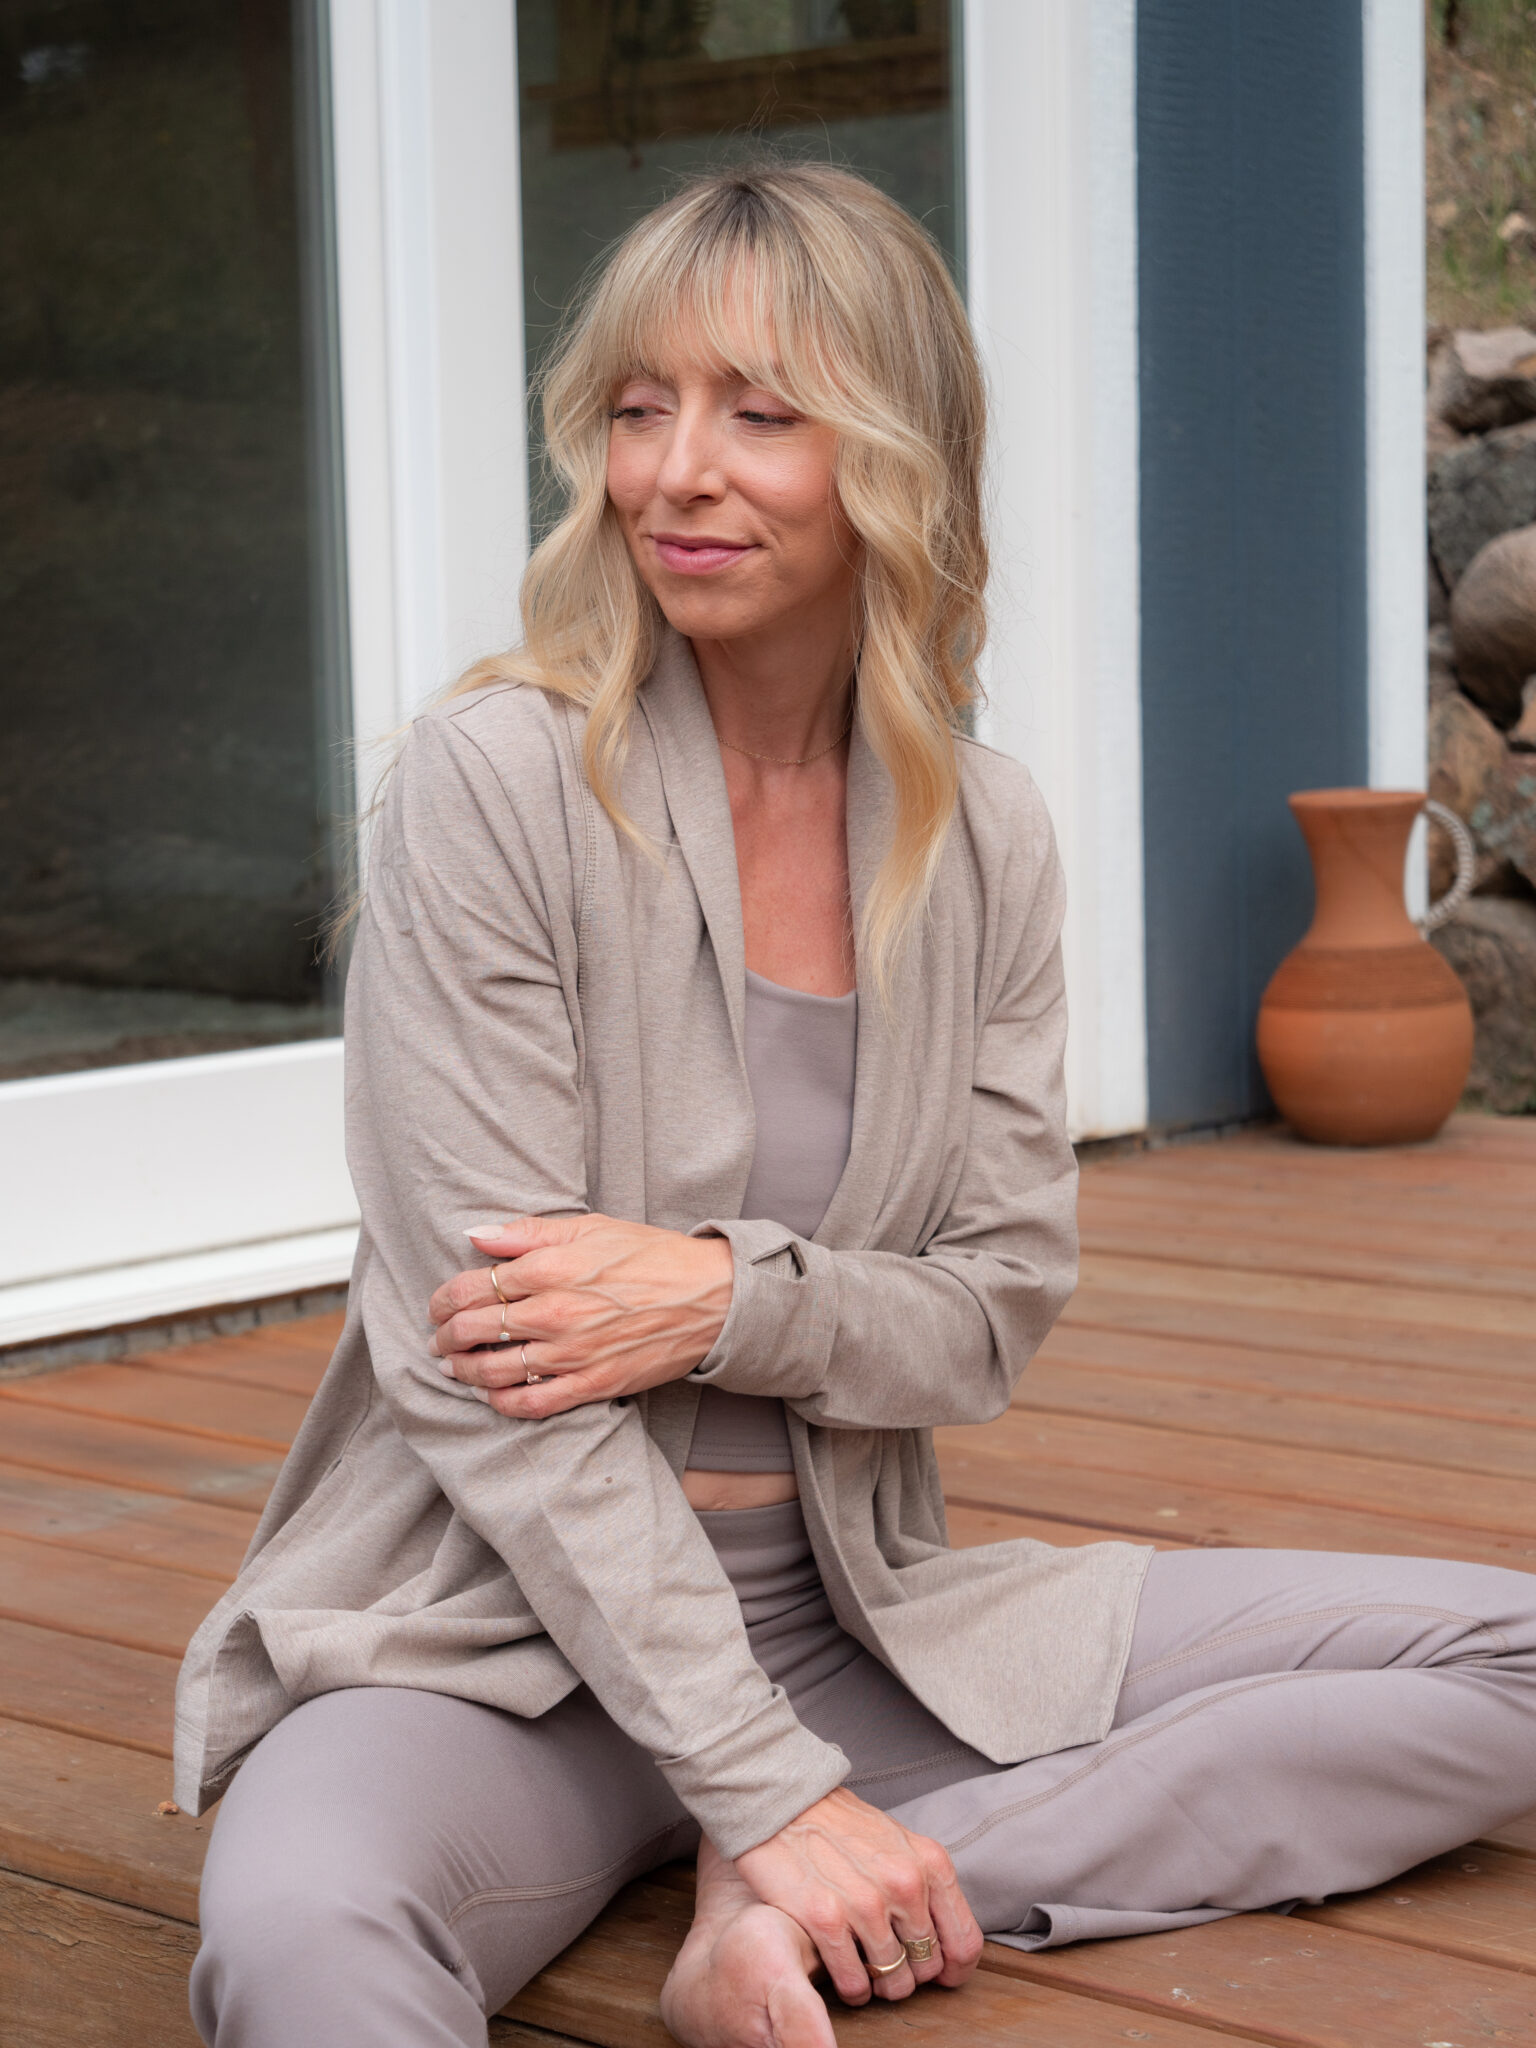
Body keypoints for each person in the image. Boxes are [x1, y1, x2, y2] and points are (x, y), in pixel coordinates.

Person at [177, 164, 1536, 2048]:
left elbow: (990, 1312)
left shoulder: (985, 836)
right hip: (501, 1643)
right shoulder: (494, 786)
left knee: (1507, 1659)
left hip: (861, 1619)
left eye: (760, 413)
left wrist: (722, 1302)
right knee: (298, 1937)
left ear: (897, 456)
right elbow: (482, 1364)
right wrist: (761, 1780)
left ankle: (839, 1901)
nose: (675, 474)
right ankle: (810, 1847)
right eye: (638, 410)